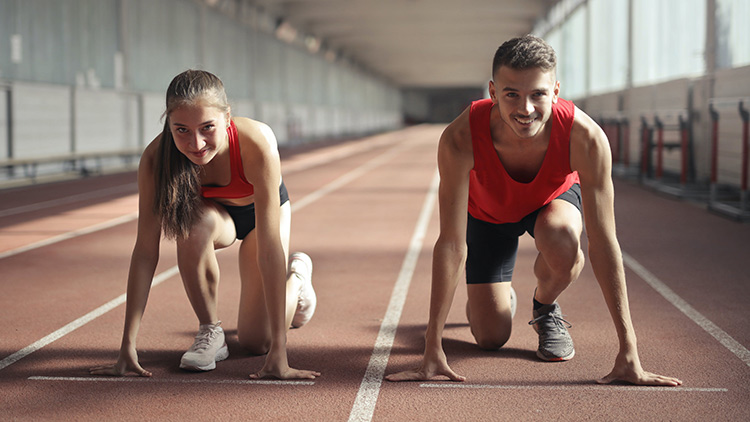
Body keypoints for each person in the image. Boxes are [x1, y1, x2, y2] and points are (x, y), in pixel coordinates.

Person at [386, 35, 681, 386]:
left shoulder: (585, 138)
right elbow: (450, 243)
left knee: (564, 242)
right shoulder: (460, 138)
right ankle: (496, 299)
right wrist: (432, 347)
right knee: (490, 337)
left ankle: (544, 306)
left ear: (555, 91)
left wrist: (629, 349)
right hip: (487, 215)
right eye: (512, 94)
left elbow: (603, 244)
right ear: (493, 93)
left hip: (549, 204)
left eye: (537, 94)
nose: (525, 109)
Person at [90, 70, 319, 380]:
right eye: (181, 129)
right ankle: (210, 332)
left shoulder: (257, 142)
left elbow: (268, 249)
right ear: (168, 123)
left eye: (207, 128)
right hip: (215, 217)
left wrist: (281, 351)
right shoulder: (156, 159)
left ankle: (298, 278)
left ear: (227, 118)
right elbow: (145, 251)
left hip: (262, 215)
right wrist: (127, 346)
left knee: (256, 342)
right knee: (192, 225)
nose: (195, 143)